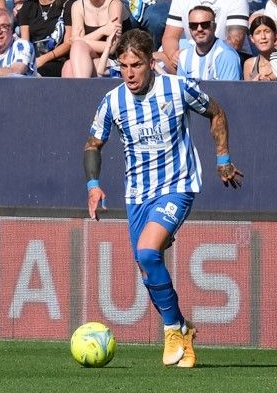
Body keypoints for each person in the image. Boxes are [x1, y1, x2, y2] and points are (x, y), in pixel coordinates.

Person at [84, 29, 241, 369]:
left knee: (147, 251)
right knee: (146, 268)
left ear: (151, 62)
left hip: (178, 184)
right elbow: (93, 145)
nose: (129, 73)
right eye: (123, 66)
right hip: (137, 193)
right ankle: (183, 328)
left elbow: (216, 112)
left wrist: (223, 157)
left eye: (136, 65)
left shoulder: (178, 88)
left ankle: (171, 330)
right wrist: (93, 184)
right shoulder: (113, 101)